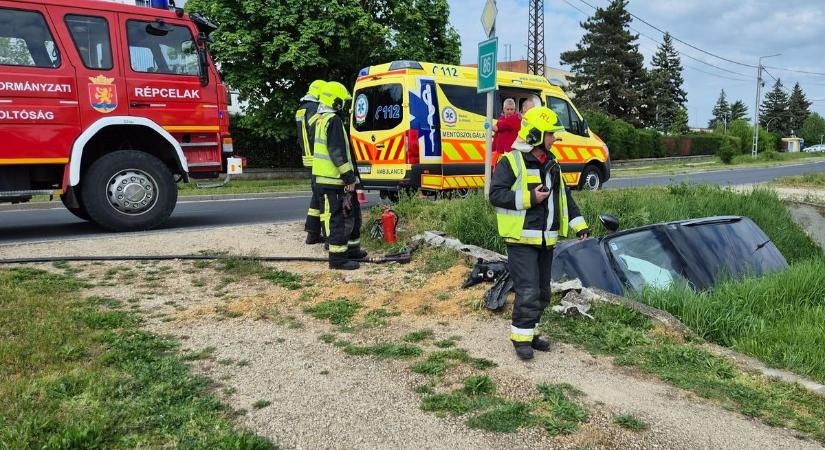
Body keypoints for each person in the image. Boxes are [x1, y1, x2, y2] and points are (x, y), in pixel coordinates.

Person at [489, 106, 590, 360]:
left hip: (546, 240)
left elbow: (564, 198)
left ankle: (530, 333)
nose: (555, 138)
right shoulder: (511, 161)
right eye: (550, 134)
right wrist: (530, 198)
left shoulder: (551, 163)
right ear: (535, 135)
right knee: (528, 290)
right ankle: (520, 339)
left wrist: (580, 225)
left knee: (543, 292)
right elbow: (496, 195)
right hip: (521, 240)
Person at [312, 81, 367, 270]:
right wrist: (349, 178)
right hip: (334, 180)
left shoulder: (322, 119)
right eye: (342, 101)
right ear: (334, 101)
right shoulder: (332, 120)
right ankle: (337, 259)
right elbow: (337, 152)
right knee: (339, 219)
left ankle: (352, 250)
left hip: (331, 179)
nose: (343, 104)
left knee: (352, 215)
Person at [297, 79, 326, 245]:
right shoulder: (314, 110)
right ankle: (327, 237)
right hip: (319, 160)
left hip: (308, 159)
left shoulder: (301, 109)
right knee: (324, 199)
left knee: (316, 196)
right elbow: (319, 134)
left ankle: (312, 233)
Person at [491, 98, 520, 169]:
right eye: (508, 109)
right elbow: (497, 134)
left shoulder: (514, 118)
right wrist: (493, 149)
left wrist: (488, 124)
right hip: (500, 153)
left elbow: (496, 128)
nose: (510, 111)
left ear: (514, 110)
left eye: (512, 109)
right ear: (503, 109)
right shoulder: (502, 118)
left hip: (509, 153)